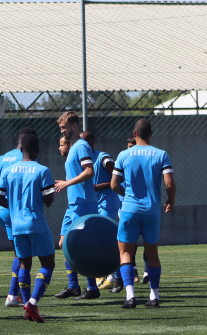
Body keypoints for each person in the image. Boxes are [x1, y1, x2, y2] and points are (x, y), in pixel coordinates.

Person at [110, 118, 175, 309]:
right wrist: (171, 200)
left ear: (135, 134)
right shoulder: (161, 154)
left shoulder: (123, 155)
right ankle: (154, 297)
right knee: (152, 253)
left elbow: (114, 184)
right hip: (152, 210)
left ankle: (130, 296)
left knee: (126, 253)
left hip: (129, 210)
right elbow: (169, 183)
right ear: (151, 134)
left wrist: (127, 195)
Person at [0, 134, 57, 323]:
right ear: (38, 150)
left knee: (24, 264)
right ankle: (33, 302)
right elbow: (49, 200)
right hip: (35, 222)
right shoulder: (42, 170)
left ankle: (27, 306)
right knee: (48, 263)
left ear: (20, 149)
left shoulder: (9, 170)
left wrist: (14, 206)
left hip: (16, 225)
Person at [0, 127, 38, 307]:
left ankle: (15, 295)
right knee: (22, 255)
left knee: (18, 252)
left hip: (0, 208)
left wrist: (1, 200)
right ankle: (14, 296)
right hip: (16, 211)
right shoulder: (28, 157)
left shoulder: (2, 157)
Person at [53, 111, 100, 300]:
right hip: (73, 205)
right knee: (64, 243)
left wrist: (67, 183)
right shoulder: (72, 147)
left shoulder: (81, 146)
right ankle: (73, 286)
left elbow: (89, 171)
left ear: (74, 126)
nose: (62, 131)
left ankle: (92, 288)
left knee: (83, 246)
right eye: (60, 128)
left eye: (64, 127)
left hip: (84, 204)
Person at [83, 131, 122, 292]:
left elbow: (119, 176)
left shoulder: (103, 157)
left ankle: (117, 277)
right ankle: (109, 275)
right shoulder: (84, 160)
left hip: (108, 204)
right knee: (98, 240)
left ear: (90, 143)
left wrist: (100, 186)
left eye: (83, 141)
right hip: (95, 204)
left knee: (107, 240)